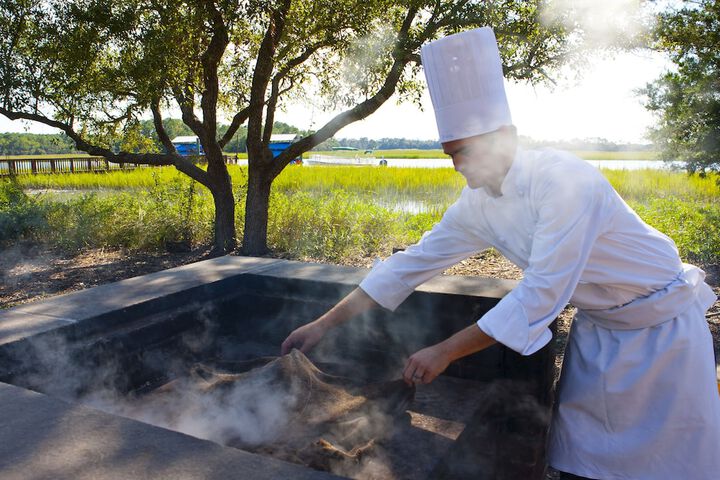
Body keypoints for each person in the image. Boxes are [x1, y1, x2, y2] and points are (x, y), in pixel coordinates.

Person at [281, 27, 720, 479]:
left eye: (468, 152)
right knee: (586, 457)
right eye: (452, 155)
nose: (460, 168)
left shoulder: (565, 183)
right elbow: (407, 266)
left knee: (670, 462)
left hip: (662, 333)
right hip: (600, 332)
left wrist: (446, 351)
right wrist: (321, 324)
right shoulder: (478, 203)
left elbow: (540, 295)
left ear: (508, 135)